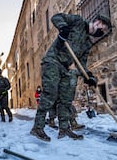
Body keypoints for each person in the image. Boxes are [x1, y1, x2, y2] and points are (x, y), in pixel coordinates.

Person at [30, 13, 112, 142]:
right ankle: (37, 127)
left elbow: (82, 63)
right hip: (52, 61)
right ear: (99, 23)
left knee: (65, 99)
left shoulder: (87, 43)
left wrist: (89, 76)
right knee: (50, 94)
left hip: (65, 67)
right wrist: (63, 28)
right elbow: (56, 17)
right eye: (104, 30)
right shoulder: (77, 21)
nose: (102, 33)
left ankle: (64, 128)